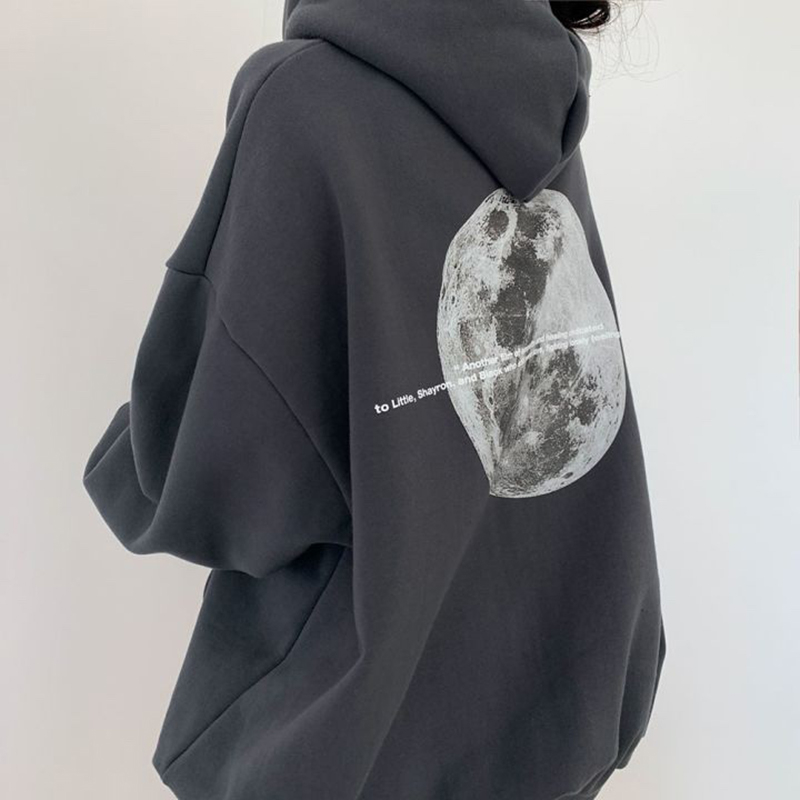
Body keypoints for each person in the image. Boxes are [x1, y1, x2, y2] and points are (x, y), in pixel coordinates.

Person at [83, 1, 665, 798]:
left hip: (359, 743)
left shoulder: (303, 101)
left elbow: (222, 479)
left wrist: (127, 465)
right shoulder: (536, 87)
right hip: (561, 704)